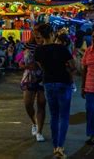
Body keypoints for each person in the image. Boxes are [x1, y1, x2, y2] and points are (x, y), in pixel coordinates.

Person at [34, 23, 76, 158]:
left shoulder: (39, 51)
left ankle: (54, 146)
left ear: (41, 35)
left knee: (54, 115)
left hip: (48, 83)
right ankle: (60, 146)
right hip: (63, 82)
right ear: (52, 34)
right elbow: (73, 66)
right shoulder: (62, 48)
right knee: (64, 116)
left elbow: (42, 68)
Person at [18, 33, 46, 143]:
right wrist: (23, 65)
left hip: (43, 77)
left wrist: (39, 65)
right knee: (28, 104)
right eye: (35, 33)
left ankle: (39, 131)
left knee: (41, 103)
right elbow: (20, 59)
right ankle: (34, 123)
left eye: (39, 33)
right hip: (29, 77)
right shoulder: (28, 46)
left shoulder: (47, 46)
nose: (37, 36)